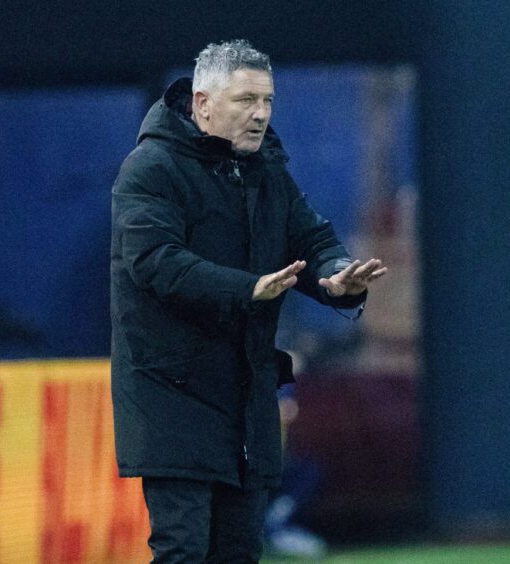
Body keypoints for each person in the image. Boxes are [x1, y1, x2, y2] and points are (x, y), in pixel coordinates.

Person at [110, 39, 387, 562]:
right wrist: (248, 288)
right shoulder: (150, 169)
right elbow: (155, 263)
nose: (260, 115)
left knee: (239, 551)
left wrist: (335, 278)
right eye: (245, 101)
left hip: (246, 395)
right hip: (172, 395)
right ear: (202, 103)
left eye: (267, 102)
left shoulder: (268, 172)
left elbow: (314, 241)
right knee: (183, 550)